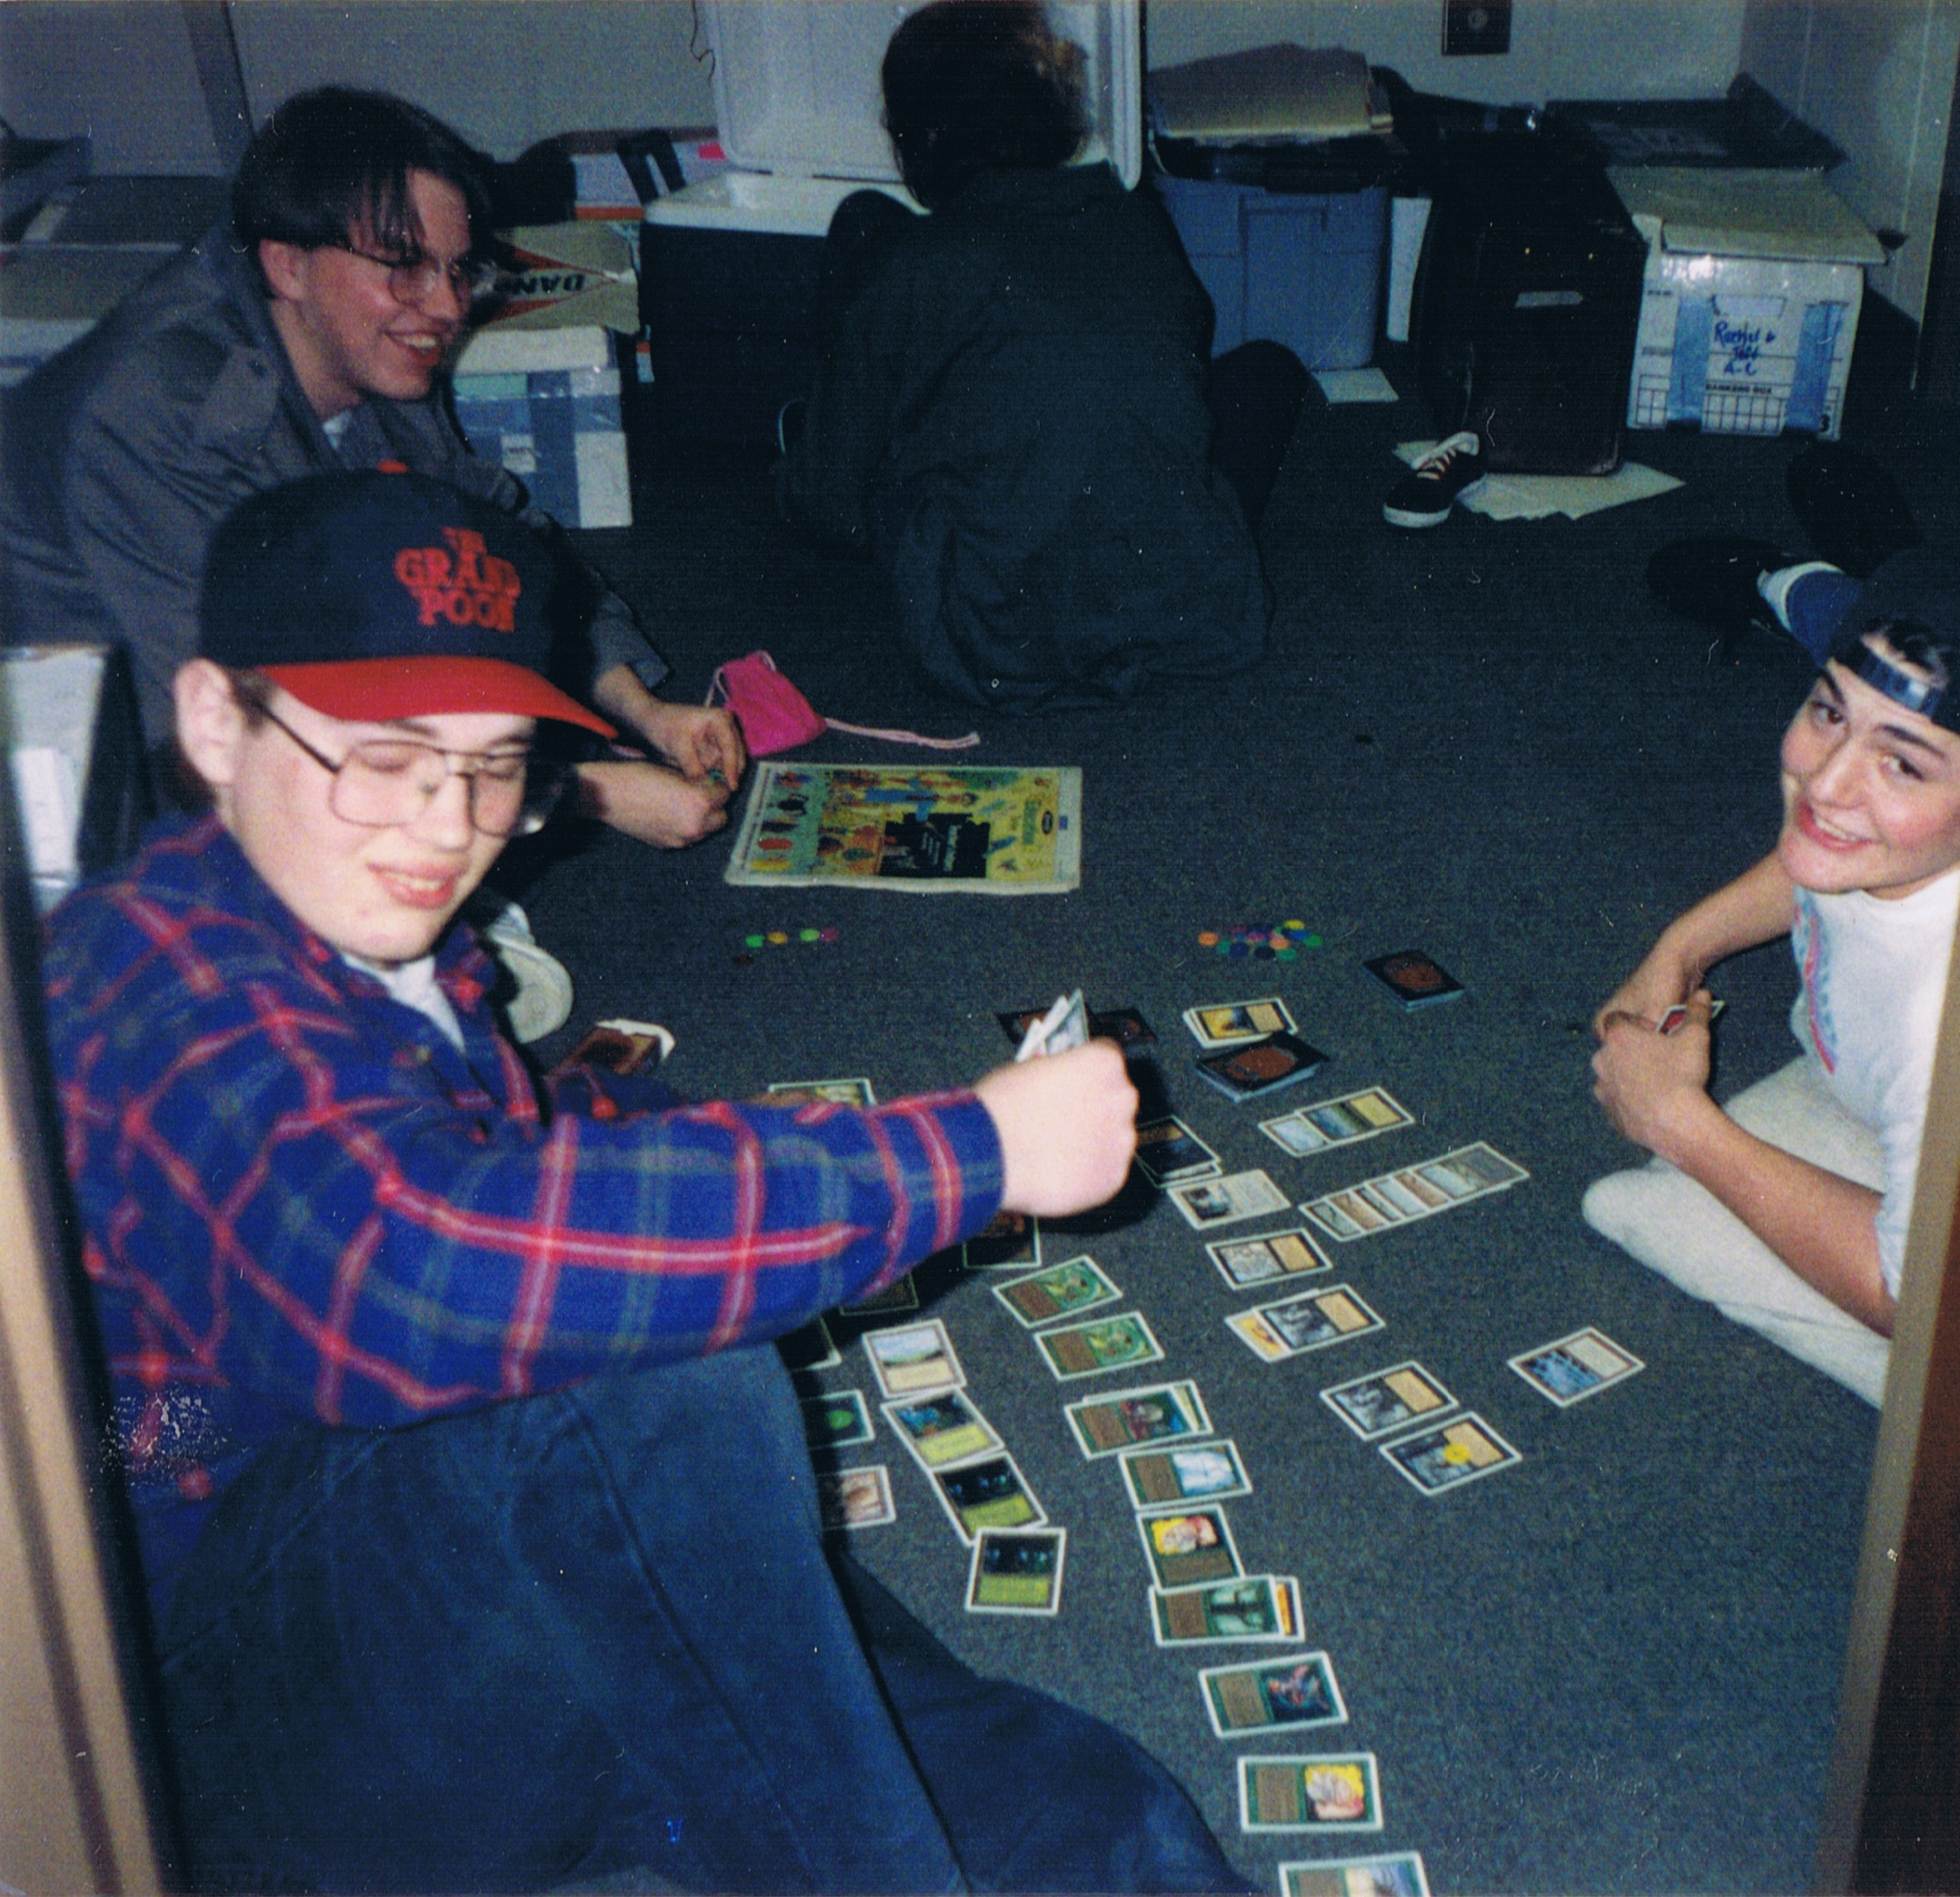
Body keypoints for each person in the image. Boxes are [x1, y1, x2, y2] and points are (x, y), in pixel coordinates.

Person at [45, 470, 1247, 1892]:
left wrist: (709, 1138)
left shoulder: (358, 931)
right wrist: (969, 1152)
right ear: (211, 723)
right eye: (386, 756)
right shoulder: (155, 982)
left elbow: (476, 1144)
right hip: (208, 1738)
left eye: (495, 765)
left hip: (414, 1580)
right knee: (645, 1388)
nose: (446, 826)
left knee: (1095, 1818)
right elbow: (408, 1265)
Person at [1, 85, 744, 850]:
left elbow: (499, 548)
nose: (448, 306)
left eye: (459, 271)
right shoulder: (159, 420)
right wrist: (583, 792)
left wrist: (642, 712)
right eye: (407, 266)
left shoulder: (367, 345)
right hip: (93, 810)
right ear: (289, 264)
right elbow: (253, 743)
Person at [777, 0, 1303, 713]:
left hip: (995, 637)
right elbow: (1182, 364)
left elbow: (826, 513)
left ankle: (824, 425)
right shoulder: (1137, 216)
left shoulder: (916, 265)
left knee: (863, 228)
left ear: (926, 137)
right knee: (1263, 371)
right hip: (1185, 612)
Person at [1583, 549, 1960, 1406]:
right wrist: (1682, 947)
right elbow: (1808, 860)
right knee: (1818, 604)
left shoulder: (1953, 1026)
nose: (1826, 777)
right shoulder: (1881, 836)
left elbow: (1905, 1293)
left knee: (1644, 1209)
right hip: (1859, 1092)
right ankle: (1788, 569)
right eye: (1826, 711)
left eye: (1904, 763)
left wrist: (1681, 1124)